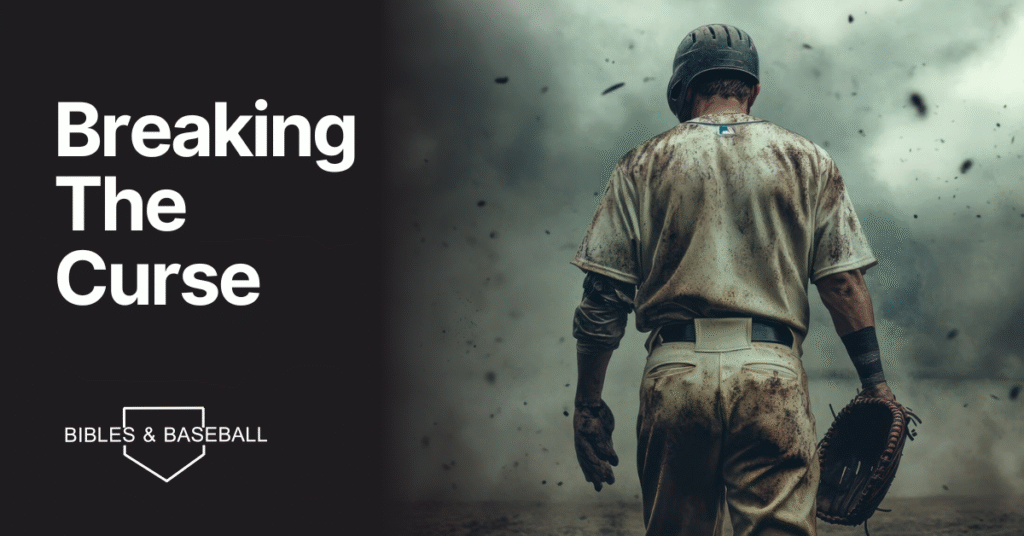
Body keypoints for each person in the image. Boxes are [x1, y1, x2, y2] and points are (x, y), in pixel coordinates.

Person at [570, 23, 899, 536]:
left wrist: (588, 404)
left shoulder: (641, 164)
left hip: (674, 374)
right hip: (771, 375)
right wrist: (874, 383)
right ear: (754, 89)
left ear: (682, 89)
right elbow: (843, 285)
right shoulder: (807, 159)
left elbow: (603, 299)